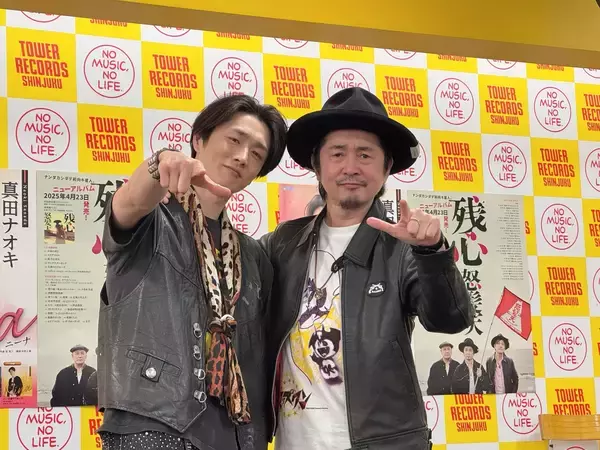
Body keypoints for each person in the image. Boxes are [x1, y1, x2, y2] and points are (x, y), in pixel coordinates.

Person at [260, 87, 473, 450]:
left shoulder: (403, 247)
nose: (351, 167)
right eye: (337, 153)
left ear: (386, 168)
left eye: (365, 154)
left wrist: (432, 252)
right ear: (317, 165)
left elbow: (451, 320)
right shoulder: (282, 243)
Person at [97, 95, 287, 450]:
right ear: (199, 139)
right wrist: (159, 165)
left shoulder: (253, 255)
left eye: (257, 154)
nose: (242, 156)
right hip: (154, 430)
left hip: (237, 436)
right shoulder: (150, 223)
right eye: (234, 139)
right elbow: (129, 203)